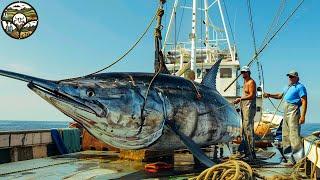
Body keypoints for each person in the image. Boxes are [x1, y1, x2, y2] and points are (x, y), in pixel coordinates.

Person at [264, 70, 307, 164]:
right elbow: (280, 96)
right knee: (285, 136)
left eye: (292, 76)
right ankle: (289, 159)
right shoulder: (287, 87)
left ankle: (299, 161)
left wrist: (303, 116)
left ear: (297, 78)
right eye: (289, 76)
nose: (290, 78)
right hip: (286, 112)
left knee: (294, 136)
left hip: (293, 111)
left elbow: (304, 101)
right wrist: (269, 95)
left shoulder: (300, 87)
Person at [233, 66, 257, 159]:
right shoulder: (245, 82)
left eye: (244, 72)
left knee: (248, 130)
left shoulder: (251, 82)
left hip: (249, 107)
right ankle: (247, 151)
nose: (243, 73)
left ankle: (250, 153)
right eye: (242, 72)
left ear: (248, 73)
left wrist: (240, 99)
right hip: (244, 107)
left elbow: (252, 95)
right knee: (244, 130)